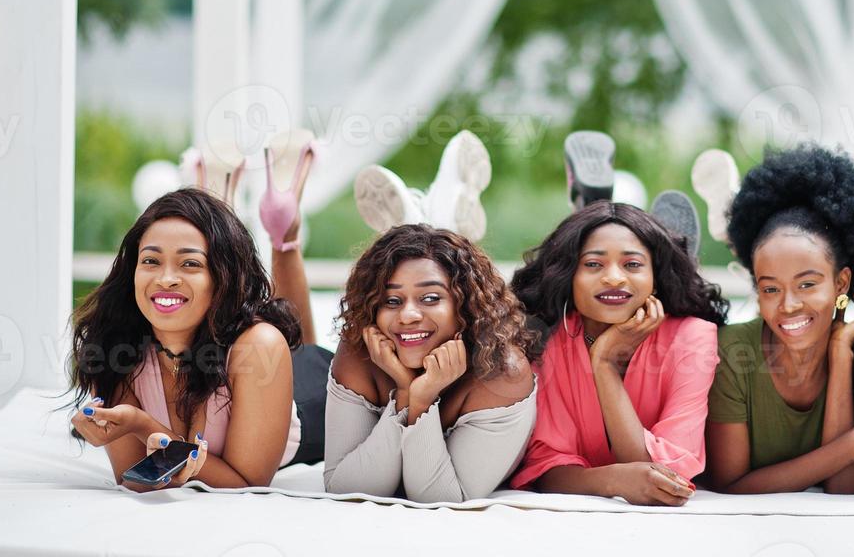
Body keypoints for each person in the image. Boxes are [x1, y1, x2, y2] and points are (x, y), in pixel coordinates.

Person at [69, 188, 325, 491]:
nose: (165, 279)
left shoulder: (259, 345)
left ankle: (285, 240)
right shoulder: (112, 346)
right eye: (151, 261)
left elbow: (247, 483)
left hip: (312, 396)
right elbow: (133, 478)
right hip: (237, 358)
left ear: (223, 276)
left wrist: (141, 424)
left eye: (190, 263)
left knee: (299, 346)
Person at [510, 202, 727, 506]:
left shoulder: (692, 337)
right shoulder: (546, 339)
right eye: (594, 264)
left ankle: (668, 242)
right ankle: (594, 201)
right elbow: (546, 467)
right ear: (569, 275)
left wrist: (604, 363)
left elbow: (665, 477)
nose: (614, 278)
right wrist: (613, 480)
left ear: (655, 275)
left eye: (633, 265)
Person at [705, 144, 854, 494]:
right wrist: (853, 445)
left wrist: (840, 353)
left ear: (842, 282)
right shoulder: (731, 353)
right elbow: (729, 483)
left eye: (807, 284)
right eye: (770, 289)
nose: (788, 305)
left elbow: (846, 486)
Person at [311, 224, 539, 501]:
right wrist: (405, 393)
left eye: (430, 298)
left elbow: (440, 498)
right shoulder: (360, 352)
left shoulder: (502, 372)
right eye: (392, 300)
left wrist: (422, 402)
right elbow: (345, 489)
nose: (407, 316)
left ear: (465, 306)